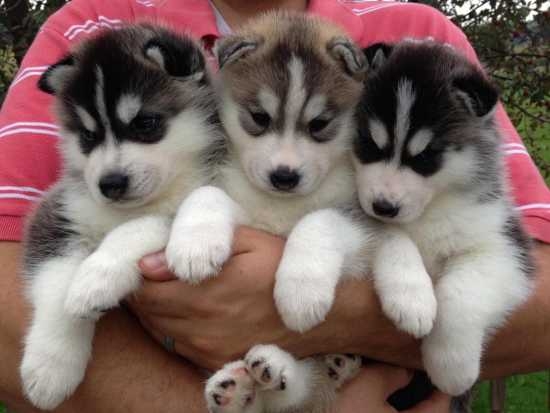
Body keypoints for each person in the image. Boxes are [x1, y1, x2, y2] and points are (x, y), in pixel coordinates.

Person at [0, 0, 549, 411]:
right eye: (257, 121)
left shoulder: (416, 42)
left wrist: (352, 323)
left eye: (319, 128)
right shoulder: (87, 23)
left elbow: (532, 287)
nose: (285, 163)